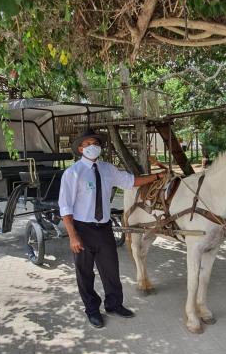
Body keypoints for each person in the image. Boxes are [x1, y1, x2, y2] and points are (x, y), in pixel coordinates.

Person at [59, 128, 166, 329]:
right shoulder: (72, 173)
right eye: (88, 144)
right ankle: (92, 310)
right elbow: (65, 207)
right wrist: (73, 235)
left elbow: (131, 182)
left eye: (96, 143)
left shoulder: (108, 169)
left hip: (104, 228)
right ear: (81, 149)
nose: (93, 147)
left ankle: (114, 304)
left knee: (111, 270)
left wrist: (157, 178)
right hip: (82, 229)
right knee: (85, 273)